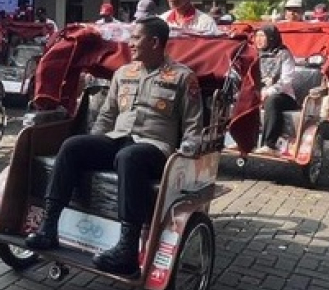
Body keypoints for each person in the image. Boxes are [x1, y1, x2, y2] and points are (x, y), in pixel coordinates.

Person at [24, 17, 203, 276]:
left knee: (130, 157)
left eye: (136, 37)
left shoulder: (183, 77)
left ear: (154, 42)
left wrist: (187, 153)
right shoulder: (123, 73)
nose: (130, 43)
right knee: (73, 146)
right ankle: (48, 228)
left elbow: (193, 124)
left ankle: (127, 251)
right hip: (118, 140)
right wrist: (94, 144)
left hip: (153, 148)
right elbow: (107, 115)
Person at [253, 24, 298, 155]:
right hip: (259, 93)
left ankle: (270, 144)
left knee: (271, 101)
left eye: (262, 36)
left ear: (271, 38)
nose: (258, 39)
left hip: (284, 96)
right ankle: (243, 140)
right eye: (257, 36)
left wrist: (268, 91)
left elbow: (286, 80)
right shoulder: (254, 53)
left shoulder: (284, 54)